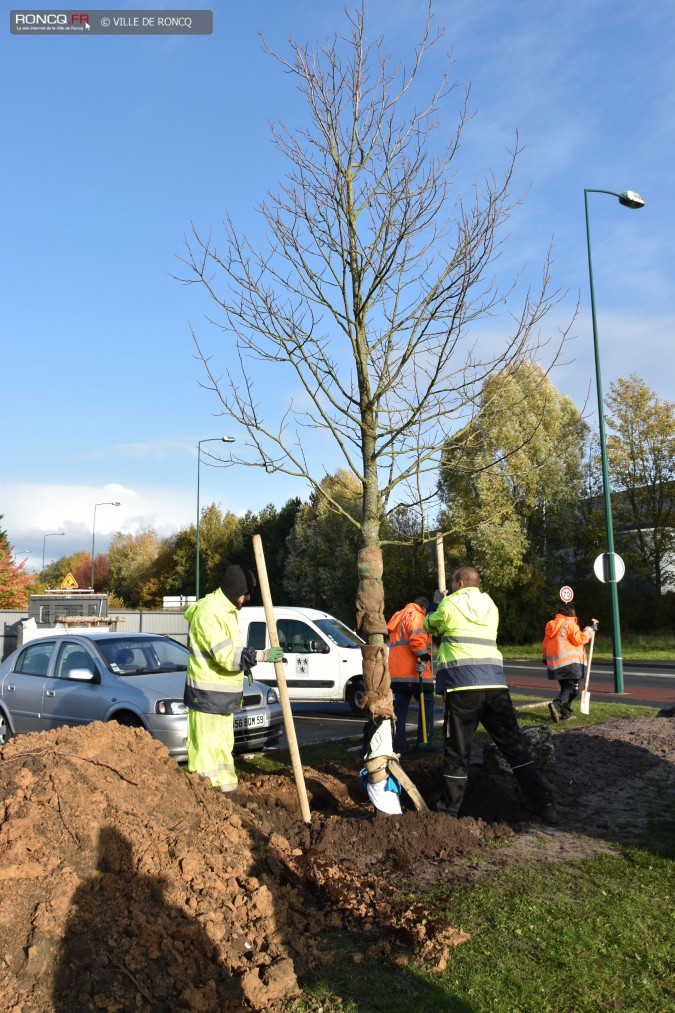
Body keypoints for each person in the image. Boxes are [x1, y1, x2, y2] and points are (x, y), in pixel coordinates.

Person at [424, 565, 558, 825]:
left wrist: (435, 603)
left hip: (462, 689)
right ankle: (544, 804)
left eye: (453, 584)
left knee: (457, 753)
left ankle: (447, 814)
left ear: (459, 583)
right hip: (495, 686)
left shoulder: (449, 605)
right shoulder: (491, 606)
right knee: (514, 748)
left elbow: (429, 625)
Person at [183, 564, 283, 793]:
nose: (247, 598)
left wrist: (243, 665)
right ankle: (205, 794)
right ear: (233, 589)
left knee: (222, 747)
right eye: (245, 593)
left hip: (222, 698)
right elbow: (226, 655)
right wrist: (261, 655)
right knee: (206, 751)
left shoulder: (226, 612)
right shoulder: (208, 613)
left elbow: (230, 651)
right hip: (206, 698)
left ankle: (226, 791)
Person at [387, 596, 435, 752]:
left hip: (398, 674)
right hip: (416, 673)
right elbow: (416, 640)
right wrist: (423, 656)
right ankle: (424, 740)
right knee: (427, 707)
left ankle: (399, 744)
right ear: (422, 606)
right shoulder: (416, 615)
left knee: (399, 712)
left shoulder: (398, 616)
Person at [542, 604, 596, 722]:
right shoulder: (570, 624)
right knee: (572, 689)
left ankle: (565, 713)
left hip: (556, 664)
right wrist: (589, 630)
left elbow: (545, 643)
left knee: (566, 688)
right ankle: (556, 705)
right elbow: (579, 639)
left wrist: (544, 657)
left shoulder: (551, 625)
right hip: (570, 663)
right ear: (571, 613)